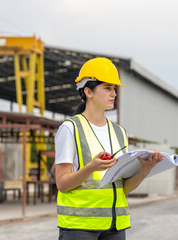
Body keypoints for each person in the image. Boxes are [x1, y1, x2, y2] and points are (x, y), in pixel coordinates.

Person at [55, 57, 164, 240]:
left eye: (114, 88)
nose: (113, 93)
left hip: (114, 227)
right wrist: (91, 167)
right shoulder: (70, 129)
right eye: (107, 87)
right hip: (79, 227)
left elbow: (121, 189)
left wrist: (144, 171)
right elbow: (62, 184)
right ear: (88, 91)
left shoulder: (119, 132)